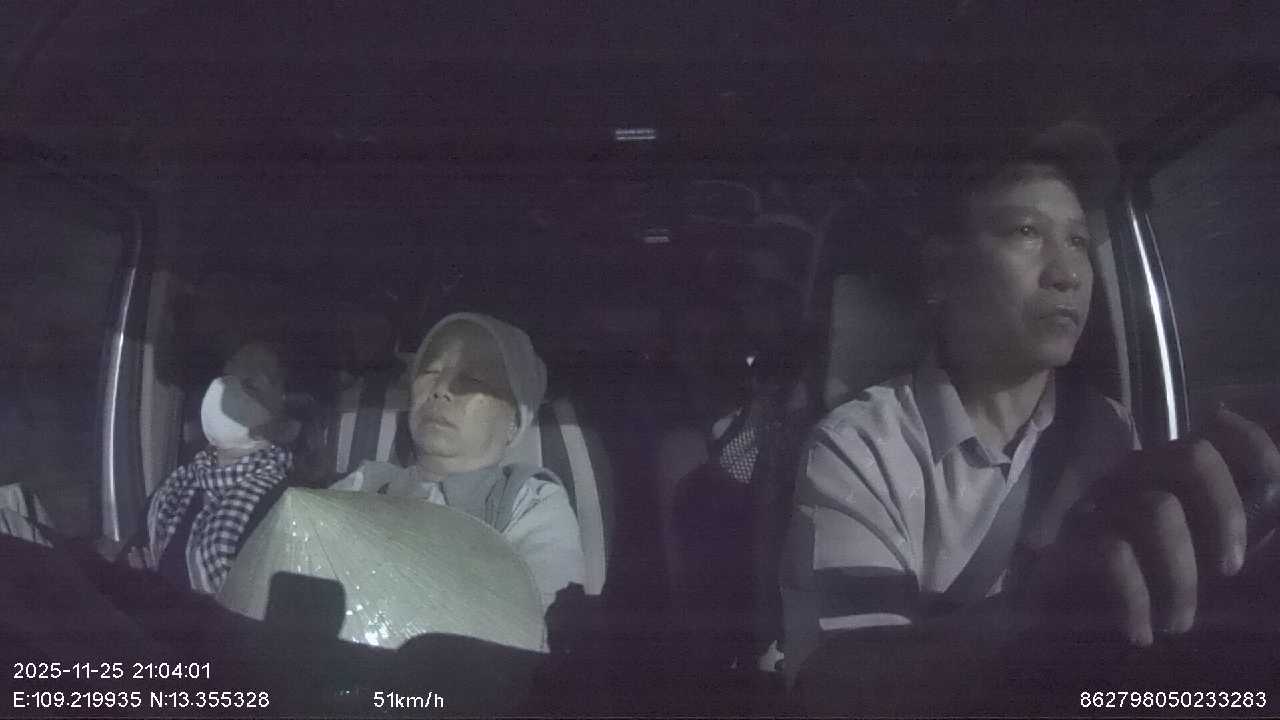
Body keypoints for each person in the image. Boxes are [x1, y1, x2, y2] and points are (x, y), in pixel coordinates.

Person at [780, 122, 1280, 709]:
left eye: (1077, 240)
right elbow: (839, 688)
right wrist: (1042, 620)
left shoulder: (1107, 426)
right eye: (1026, 232)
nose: (1068, 272)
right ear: (941, 274)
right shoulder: (860, 447)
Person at [330, 312, 585, 610]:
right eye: (430, 371)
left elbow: (533, 614)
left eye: (473, 379)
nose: (441, 389)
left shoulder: (530, 501)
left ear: (515, 420)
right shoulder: (364, 483)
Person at [138, 342, 298, 594]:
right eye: (226, 378)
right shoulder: (180, 482)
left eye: (250, 384)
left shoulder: (279, 503)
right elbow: (131, 562)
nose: (225, 391)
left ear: (281, 407)